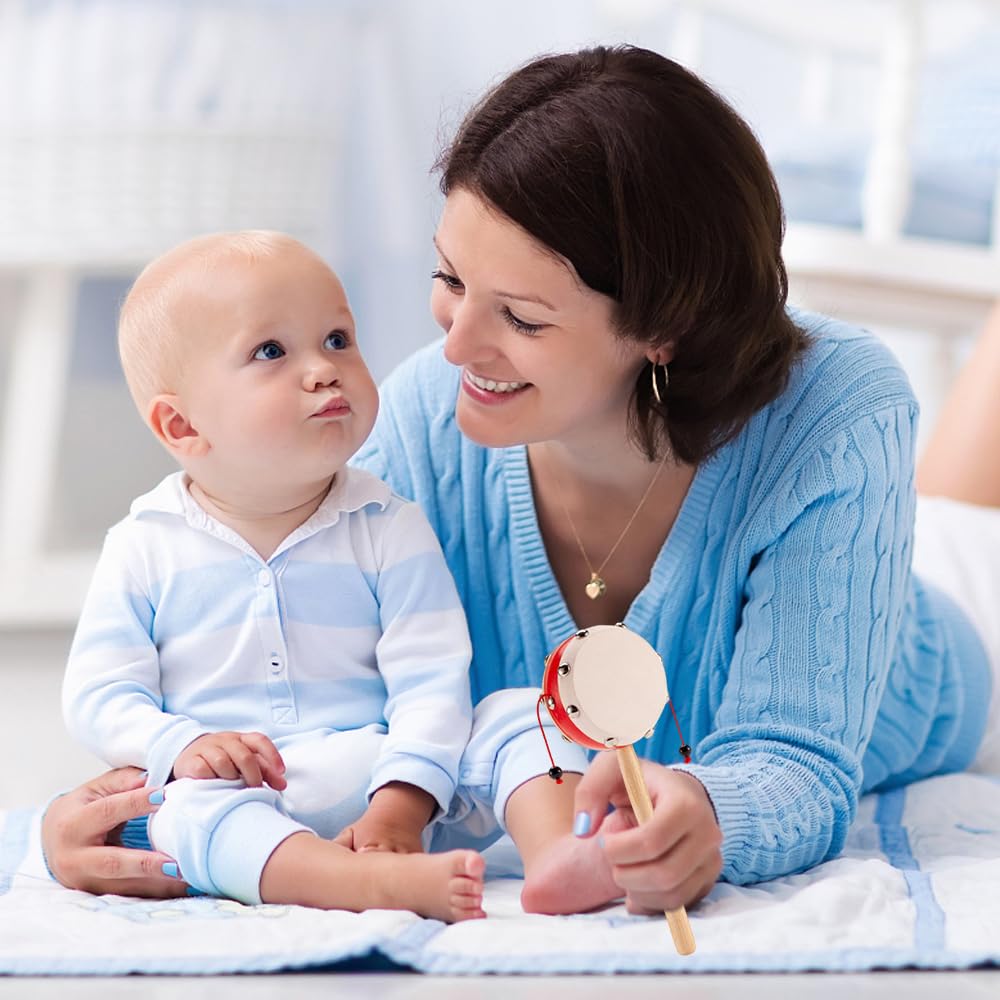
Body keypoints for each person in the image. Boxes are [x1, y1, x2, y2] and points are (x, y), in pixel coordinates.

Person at [43, 45, 997, 918]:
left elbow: (797, 760)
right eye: (449, 279)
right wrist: (127, 802)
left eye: (522, 319)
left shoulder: (838, 406)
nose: (454, 345)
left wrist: (712, 810)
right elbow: (289, 682)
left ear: (666, 328)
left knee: (967, 523)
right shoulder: (420, 417)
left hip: (951, 625)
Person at [60, 230, 499, 922]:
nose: (323, 371)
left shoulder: (388, 524)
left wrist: (399, 806)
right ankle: (356, 884)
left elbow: (433, 679)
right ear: (181, 426)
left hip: (381, 774)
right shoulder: (145, 547)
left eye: (336, 339)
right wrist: (182, 747)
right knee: (181, 817)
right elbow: (100, 694)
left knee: (513, 718)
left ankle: (574, 855)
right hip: (244, 796)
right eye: (271, 351)